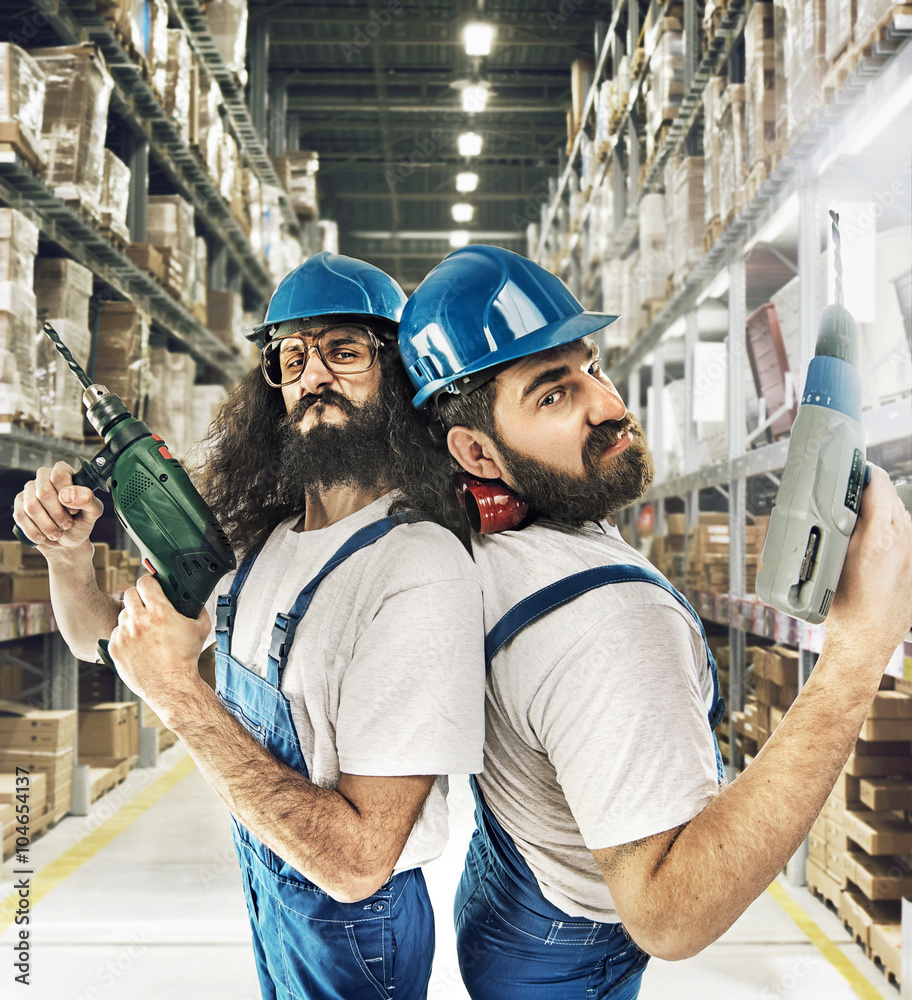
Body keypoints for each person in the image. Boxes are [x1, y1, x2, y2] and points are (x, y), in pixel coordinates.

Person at [396, 244, 912, 999]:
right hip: (569, 958)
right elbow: (670, 916)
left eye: (591, 369)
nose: (608, 405)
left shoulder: (475, 540)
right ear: (474, 450)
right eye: (552, 396)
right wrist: (857, 652)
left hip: (509, 904)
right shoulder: (609, 621)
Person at [13, 252, 485, 1000]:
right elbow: (102, 643)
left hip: (356, 929)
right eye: (292, 357)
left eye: (344, 351)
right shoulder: (258, 542)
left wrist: (180, 697)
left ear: (395, 371)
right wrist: (67, 559)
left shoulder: (416, 565)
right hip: (275, 887)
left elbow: (360, 863)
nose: (313, 377)